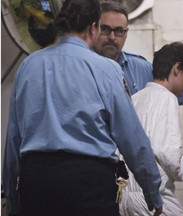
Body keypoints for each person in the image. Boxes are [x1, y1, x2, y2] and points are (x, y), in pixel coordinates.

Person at [2, 0, 163, 215]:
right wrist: (151, 189)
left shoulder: (29, 66)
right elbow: (131, 138)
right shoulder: (106, 69)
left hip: (36, 185)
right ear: (93, 27)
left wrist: (11, 198)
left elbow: (13, 138)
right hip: (89, 185)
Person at [120, 42, 183, 216]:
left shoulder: (136, 98)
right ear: (177, 69)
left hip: (124, 198)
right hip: (150, 199)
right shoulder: (167, 98)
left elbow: (149, 145)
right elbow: (166, 152)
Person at [93, 1, 183, 103]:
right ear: (93, 29)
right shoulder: (79, 67)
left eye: (119, 31)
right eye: (105, 29)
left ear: (126, 33)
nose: (112, 37)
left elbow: (180, 88)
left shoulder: (141, 68)